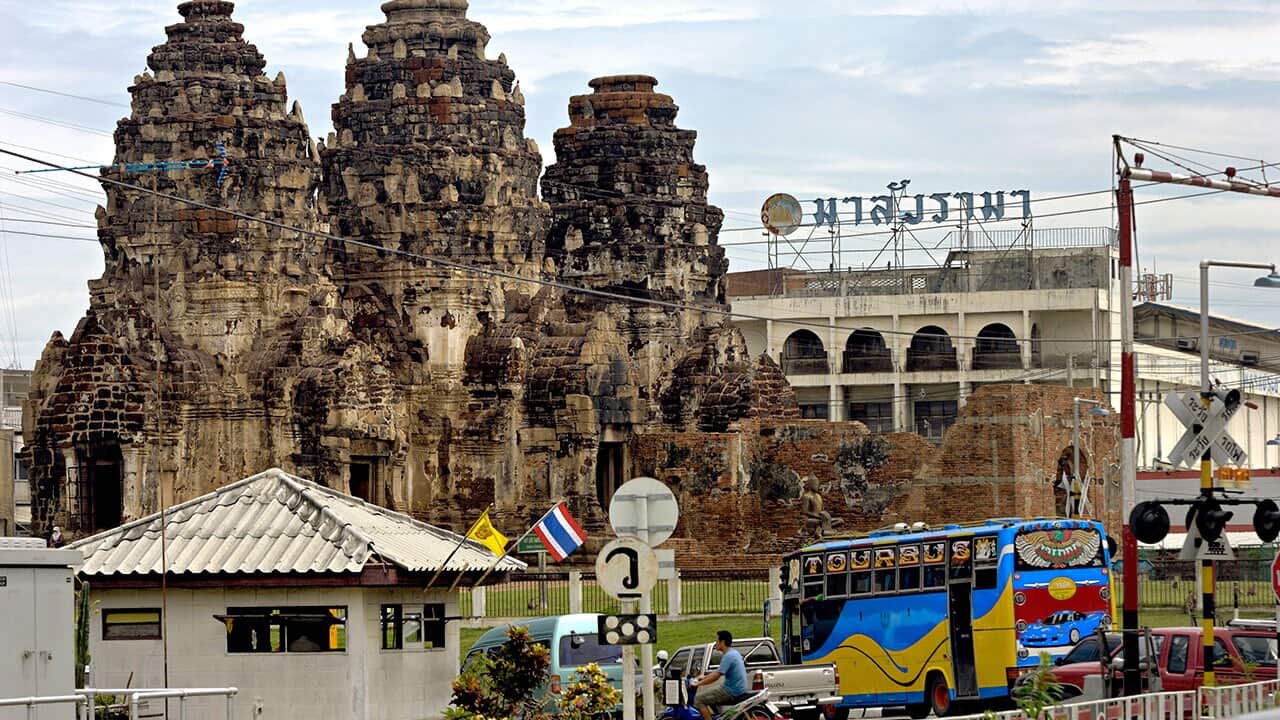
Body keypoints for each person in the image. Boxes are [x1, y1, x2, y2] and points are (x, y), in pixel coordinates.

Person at [693, 630, 748, 720]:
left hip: (731, 691)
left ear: (722, 642)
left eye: (717, 640)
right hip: (737, 689)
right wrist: (704, 677)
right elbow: (718, 671)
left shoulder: (728, 656)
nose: (716, 643)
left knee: (698, 699)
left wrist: (698, 684)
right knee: (709, 695)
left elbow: (716, 676)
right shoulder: (733, 653)